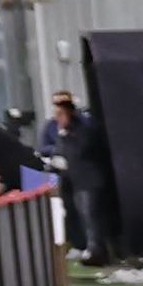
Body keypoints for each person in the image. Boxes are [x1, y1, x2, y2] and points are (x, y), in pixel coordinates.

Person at [47, 91, 110, 262]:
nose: (57, 119)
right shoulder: (63, 132)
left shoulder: (84, 129)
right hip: (74, 181)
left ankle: (96, 250)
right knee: (81, 216)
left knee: (91, 216)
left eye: (60, 114)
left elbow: (81, 152)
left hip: (87, 180)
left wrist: (64, 153)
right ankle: (87, 247)